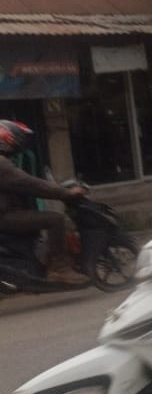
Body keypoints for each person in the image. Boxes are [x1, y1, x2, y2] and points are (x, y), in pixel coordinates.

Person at [0, 120, 90, 285]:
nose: (20, 144)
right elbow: (30, 184)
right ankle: (59, 269)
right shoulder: (1, 164)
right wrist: (65, 193)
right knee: (55, 219)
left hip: (6, 212)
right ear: (6, 139)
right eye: (17, 139)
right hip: (4, 217)